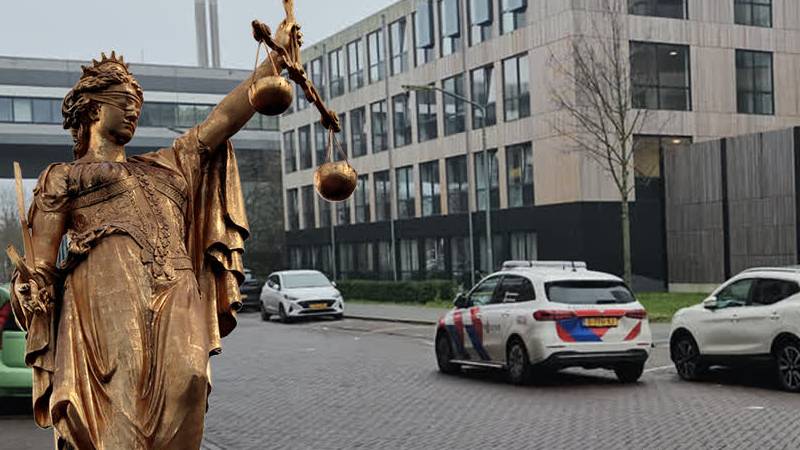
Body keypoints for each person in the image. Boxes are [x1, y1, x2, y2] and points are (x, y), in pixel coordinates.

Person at [8, 44, 288, 450]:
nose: (133, 112)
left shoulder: (166, 165)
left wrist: (276, 59)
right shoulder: (64, 176)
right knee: (120, 404)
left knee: (191, 378)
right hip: (107, 296)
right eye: (124, 102)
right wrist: (30, 288)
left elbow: (223, 119)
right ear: (94, 109)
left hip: (177, 288)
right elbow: (41, 263)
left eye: (137, 105)